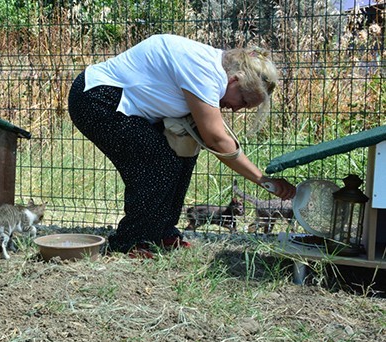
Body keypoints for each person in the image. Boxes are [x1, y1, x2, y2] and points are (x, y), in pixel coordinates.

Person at [67, 34, 296, 257]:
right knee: (156, 160)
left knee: (182, 152)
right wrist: (262, 180)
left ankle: (161, 232)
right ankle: (130, 241)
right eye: (243, 101)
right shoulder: (206, 73)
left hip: (118, 102)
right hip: (95, 98)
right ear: (234, 80)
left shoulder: (216, 71)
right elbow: (216, 139)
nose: (236, 109)